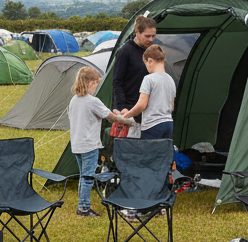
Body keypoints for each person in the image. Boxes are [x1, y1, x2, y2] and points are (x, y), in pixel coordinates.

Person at [68, 66, 133, 216]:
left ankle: (82, 204)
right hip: (89, 145)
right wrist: (129, 121)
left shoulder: (74, 100)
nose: (96, 87)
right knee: (88, 177)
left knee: (83, 175)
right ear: (91, 83)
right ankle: (83, 207)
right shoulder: (92, 101)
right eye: (97, 84)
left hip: (77, 144)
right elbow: (111, 117)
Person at [112, 15, 157, 135]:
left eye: (153, 36)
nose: (151, 39)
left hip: (147, 111)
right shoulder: (126, 51)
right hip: (129, 110)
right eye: (147, 36)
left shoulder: (150, 51)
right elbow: (117, 81)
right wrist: (122, 109)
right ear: (137, 32)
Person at [121, 45, 176, 139]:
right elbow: (172, 107)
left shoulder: (148, 79)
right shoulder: (170, 79)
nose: (146, 68)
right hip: (168, 124)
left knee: (148, 153)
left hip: (152, 125)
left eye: (146, 64)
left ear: (150, 61)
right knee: (161, 153)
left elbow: (141, 105)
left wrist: (126, 116)